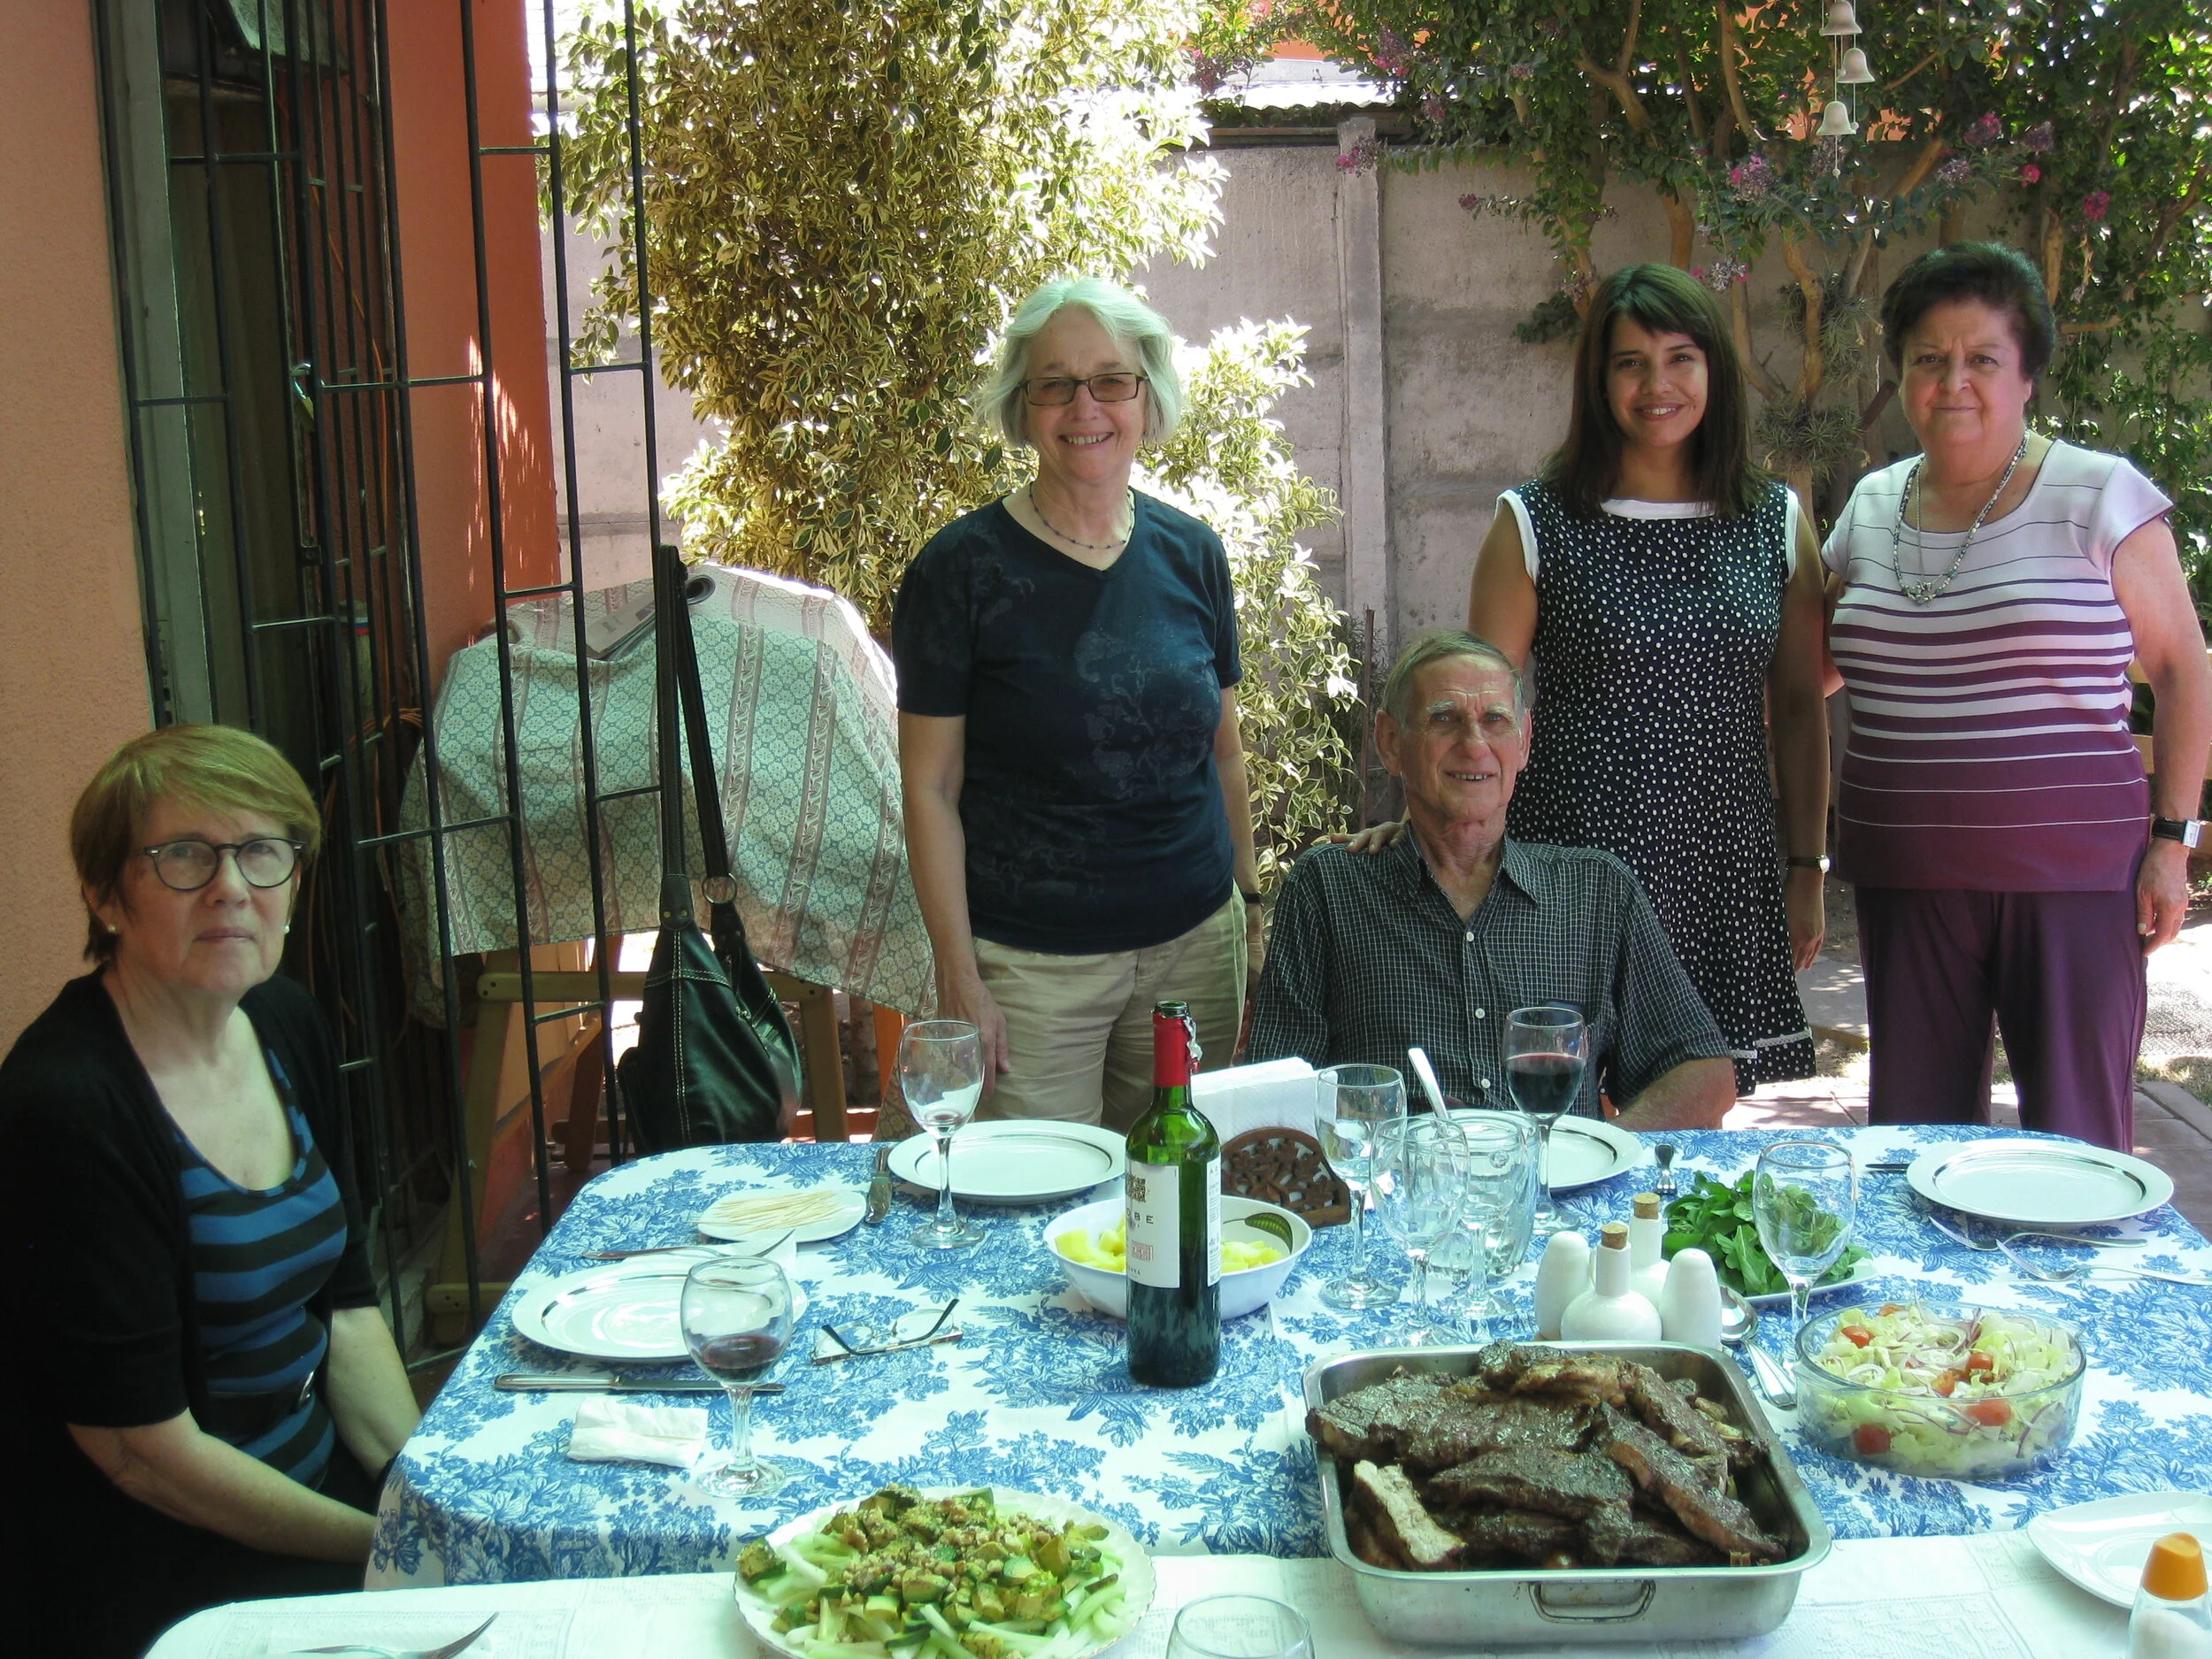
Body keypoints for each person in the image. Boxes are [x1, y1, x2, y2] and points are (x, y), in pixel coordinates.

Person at [1350, 265, 1830, 1097]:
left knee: (1700, 1096)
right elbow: (1481, 706)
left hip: (1722, 857)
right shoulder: (1536, 520)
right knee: (1565, 1100)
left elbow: (1797, 707)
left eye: (1680, 359)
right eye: (1630, 363)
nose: (1657, 385)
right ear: (1598, 381)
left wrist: (1807, 865)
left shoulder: (1772, 521)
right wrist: (1421, 814)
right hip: (1574, 859)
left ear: (1715, 368)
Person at [1, 726, 421, 1658]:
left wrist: (419, 1499)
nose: (232, 886)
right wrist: (390, 1550)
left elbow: (345, 1306)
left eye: (262, 851)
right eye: (184, 856)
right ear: (104, 894)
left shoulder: (282, 1021)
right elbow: (144, 1457)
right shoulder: (65, 1107)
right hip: (169, 1573)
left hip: (318, 1505)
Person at [1824, 242, 2212, 1148]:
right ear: (1901, 373)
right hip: (1906, 877)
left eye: (1983, 358)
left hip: (2071, 881)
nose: (1952, 380)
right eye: (1928, 357)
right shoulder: (1870, 506)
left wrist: (2172, 842)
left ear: (2027, 375)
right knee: (1914, 1150)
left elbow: (2183, 668)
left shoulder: (2099, 496)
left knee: (2077, 1149)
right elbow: (1814, 670)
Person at [893, 276, 1263, 1130]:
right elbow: (930, 788)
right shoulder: (960, 572)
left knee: (1175, 1186)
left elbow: (1224, 751)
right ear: (1022, 407)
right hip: (1031, 973)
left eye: (1110, 380)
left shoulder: (1193, 554)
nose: (1084, 406)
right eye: (1055, 383)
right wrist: (960, 977)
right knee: (1037, 1195)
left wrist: (1248, 909)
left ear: (1146, 395)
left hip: (1192, 955)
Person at [1250, 630, 1737, 1129]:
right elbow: (1273, 1092)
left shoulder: (1596, 892)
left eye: (1495, 720)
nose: (1474, 745)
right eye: (1444, 719)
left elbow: (1703, 1072)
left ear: (1523, 741)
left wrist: (1591, 1154)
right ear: (1391, 742)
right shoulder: (1331, 888)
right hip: (1402, 1177)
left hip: (1558, 1178)